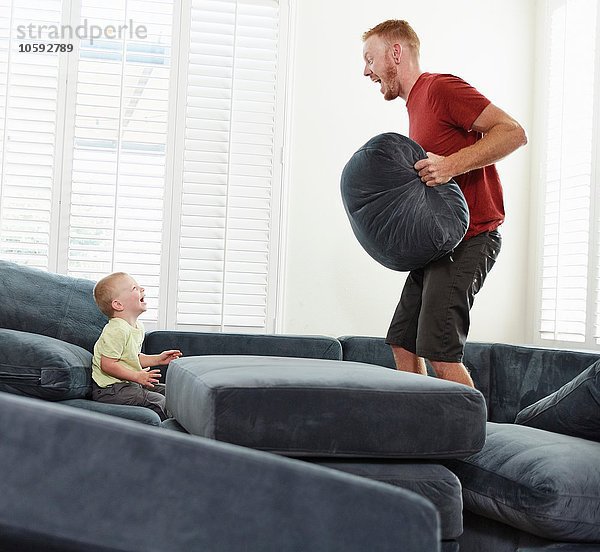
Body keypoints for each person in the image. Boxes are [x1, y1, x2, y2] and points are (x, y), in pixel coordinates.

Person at [362, 20, 527, 387]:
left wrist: (450, 165)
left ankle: (474, 442)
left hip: (473, 238)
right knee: (403, 342)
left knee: (439, 349)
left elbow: (513, 132)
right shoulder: (415, 107)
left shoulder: (439, 88)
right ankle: (424, 431)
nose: (366, 70)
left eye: (370, 59)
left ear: (395, 52)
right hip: (437, 246)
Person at [91, 272, 182, 420]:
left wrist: (158, 359)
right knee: (160, 401)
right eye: (134, 288)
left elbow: (132, 358)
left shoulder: (137, 327)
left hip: (129, 384)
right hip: (110, 390)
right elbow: (107, 365)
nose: (142, 289)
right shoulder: (116, 329)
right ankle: (173, 435)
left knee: (170, 392)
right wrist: (137, 376)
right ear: (118, 304)